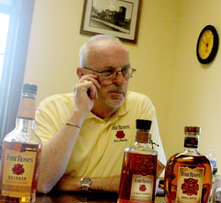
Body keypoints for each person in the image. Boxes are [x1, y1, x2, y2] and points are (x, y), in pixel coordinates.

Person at [35, 34, 166, 194]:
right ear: (82, 75)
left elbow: (148, 179)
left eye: (125, 71)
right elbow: (41, 182)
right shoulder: (52, 108)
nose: (120, 81)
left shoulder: (141, 106)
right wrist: (79, 112)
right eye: (108, 72)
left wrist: (79, 183)